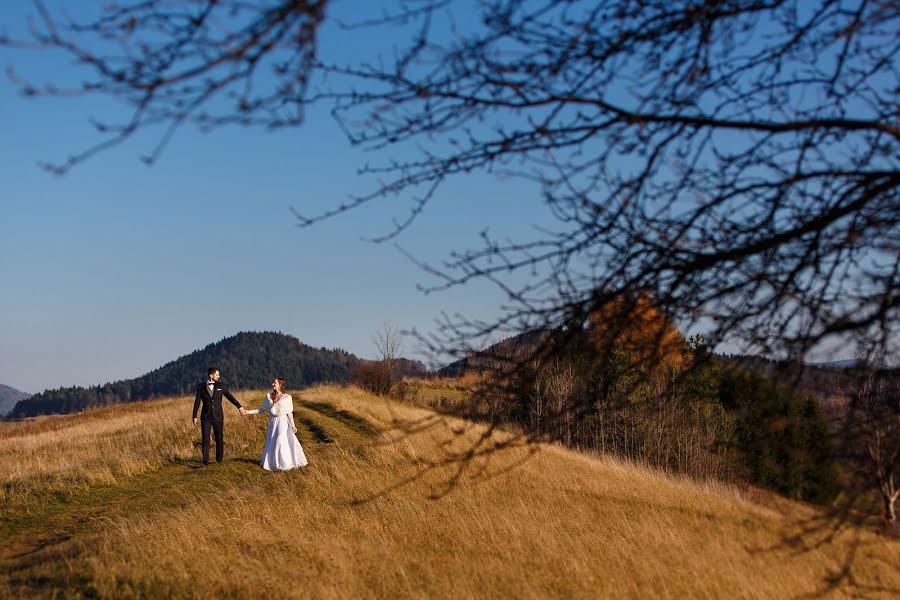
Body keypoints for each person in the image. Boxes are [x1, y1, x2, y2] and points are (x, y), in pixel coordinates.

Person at [244, 377, 308, 471]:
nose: (273, 384)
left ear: (280, 385)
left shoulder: (287, 397)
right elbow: (261, 409)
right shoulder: (269, 396)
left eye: (275, 383)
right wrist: (248, 412)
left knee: (280, 440)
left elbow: (289, 412)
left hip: (282, 421)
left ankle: (284, 464)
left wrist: (293, 425)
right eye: (273, 383)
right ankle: (273, 463)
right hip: (273, 422)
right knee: (272, 442)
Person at [192, 367, 247, 465]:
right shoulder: (201, 387)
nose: (219, 376)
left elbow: (230, 397)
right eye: (217, 375)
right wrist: (194, 416)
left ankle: (219, 460)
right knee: (205, 438)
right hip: (205, 417)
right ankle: (205, 461)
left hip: (218, 416)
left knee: (219, 437)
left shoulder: (221, 386)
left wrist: (239, 407)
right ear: (211, 376)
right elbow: (197, 402)